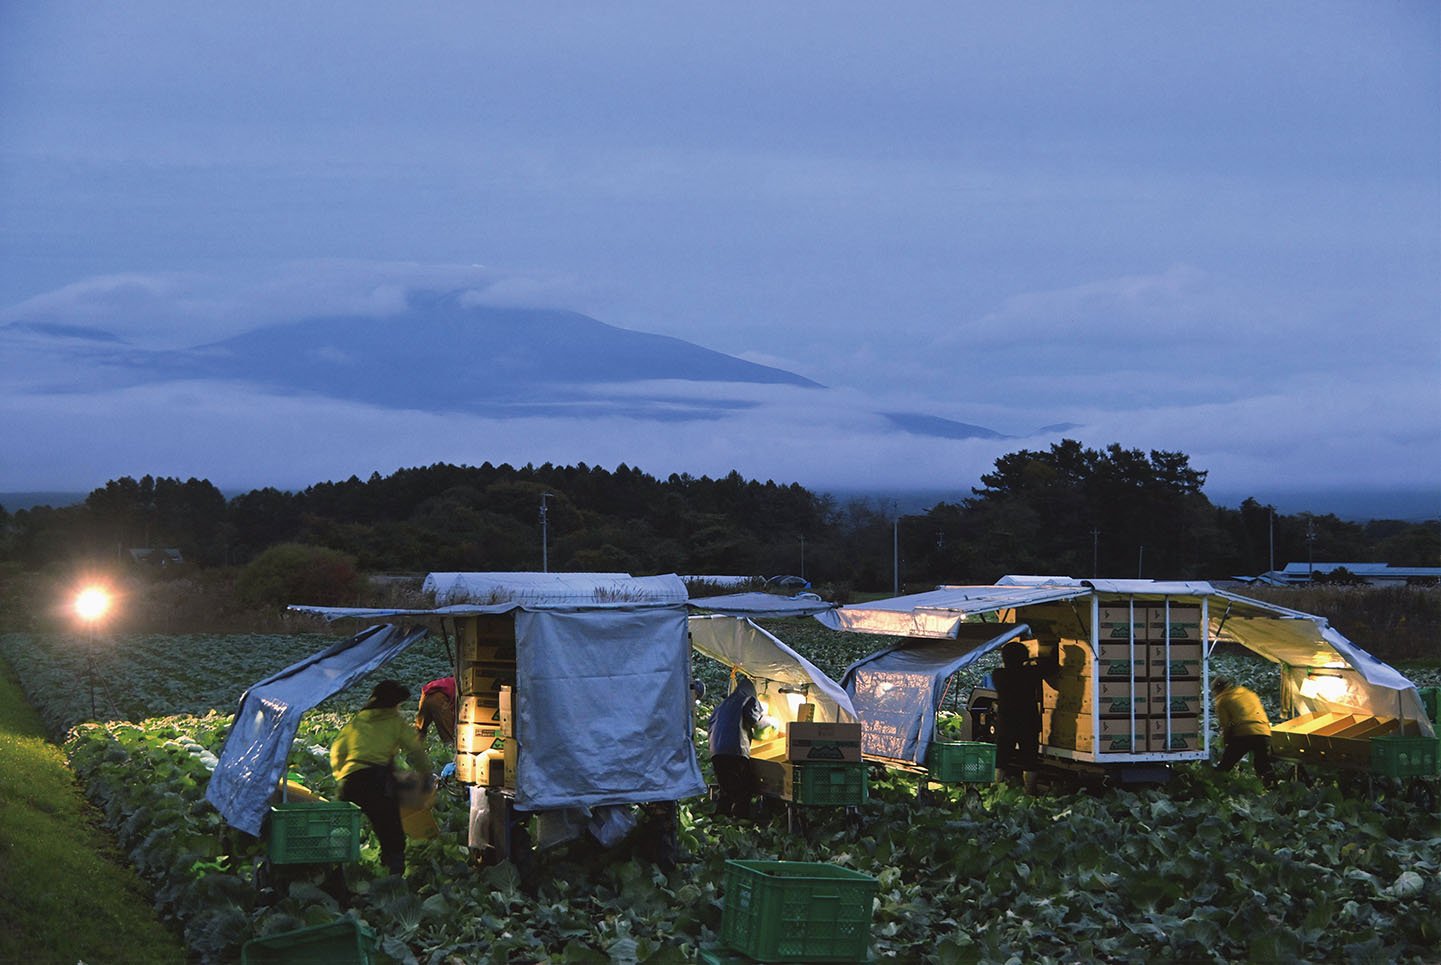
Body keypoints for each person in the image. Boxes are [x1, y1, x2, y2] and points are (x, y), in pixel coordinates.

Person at [331, 679, 434, 876]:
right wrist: (426, 775)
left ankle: (337, 874)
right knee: (390, 831)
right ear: (394, 703)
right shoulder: (395, 722)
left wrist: (341, 775)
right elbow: (416, 750)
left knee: (341, 832)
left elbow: (337, 751)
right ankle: (393, 876)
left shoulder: (357, 721)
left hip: (349, 782)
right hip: (375, 781)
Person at [991, 640, 1058, 784]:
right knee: (1029, 760)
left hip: (1006, 723)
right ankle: (1030, 790)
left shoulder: (998, 675)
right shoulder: (1030, 673)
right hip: (1027, 722)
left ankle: (995, 788)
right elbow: (1052, 667)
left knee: (1001, 759)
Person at [707, 674, 764, 818]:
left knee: (726, 787)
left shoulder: (724, 703)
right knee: (745, 787)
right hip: (735, 749)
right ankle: (741, 818)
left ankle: (721, 818)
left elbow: (711, 723)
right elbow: (753, 718)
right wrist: (764, 721)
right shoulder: (748, 699)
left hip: (716, 751)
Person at [1210, 676, 1274, 783]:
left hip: (1244, 733)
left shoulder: (1222, 700)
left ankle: (1216, 786)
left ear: (1217, 690)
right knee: (1263, 765)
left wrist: (1226, 742)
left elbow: (1225, 725)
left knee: (1226, 764)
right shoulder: (1248, 693)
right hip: (1263, 731)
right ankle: (1272, 788)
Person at [415, 675, 457, 746]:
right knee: (448, 736)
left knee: (420, 729)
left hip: (426, 695)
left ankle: (413, 752)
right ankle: (450, 753)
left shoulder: (450, 680)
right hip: (439, 699)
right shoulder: (461, 685)